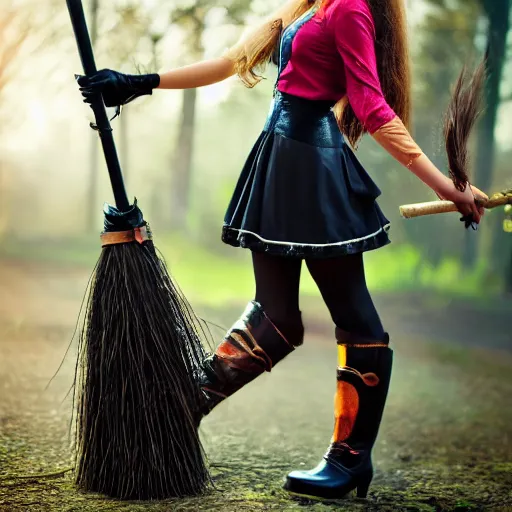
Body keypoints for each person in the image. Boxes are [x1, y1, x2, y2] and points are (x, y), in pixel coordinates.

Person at [78, 0, 488, 501]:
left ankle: (351, 458)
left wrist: (448, 187)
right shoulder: (313, 5)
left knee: (354, 314)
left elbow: (372, 107)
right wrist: (139, 83)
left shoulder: (351, 8)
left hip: (313, 166)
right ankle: (185, 403)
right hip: (282, 155)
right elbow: (233, 61)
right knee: (274, 315)